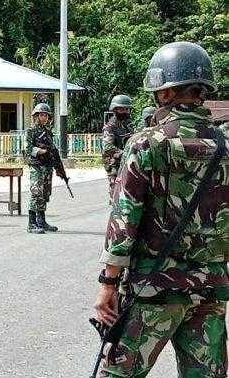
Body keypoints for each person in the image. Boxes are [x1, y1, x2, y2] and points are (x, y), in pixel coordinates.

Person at [93, 42, 229, 377]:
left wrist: (107, 285)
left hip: (152, 290)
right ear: (201, 92)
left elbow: (123, 225)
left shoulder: (145, 143)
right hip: (210, 290)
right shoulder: (225, 146)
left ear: (163, 93)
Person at [24, 103, 58, 234]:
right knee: (36, 193)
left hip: (47, 167)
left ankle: (41, 221)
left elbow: (52, 148)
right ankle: (31, 224)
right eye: (41, 115)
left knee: (44, 194)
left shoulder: (48, 131)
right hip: (36, 166)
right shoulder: (31, 131)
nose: (44, 117)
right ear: (36, 116)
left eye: (46, 115)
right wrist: (42, 151)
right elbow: (28, 149)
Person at [102, 94, 135, 199]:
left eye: (127, 109)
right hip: (114, 164)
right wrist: (126, 153)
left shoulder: (129, 124)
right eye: (121, 109)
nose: (125, 111)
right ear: (114, 110)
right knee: (116, 189)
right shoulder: (110, 127)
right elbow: (107, 147)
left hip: (128, 161)